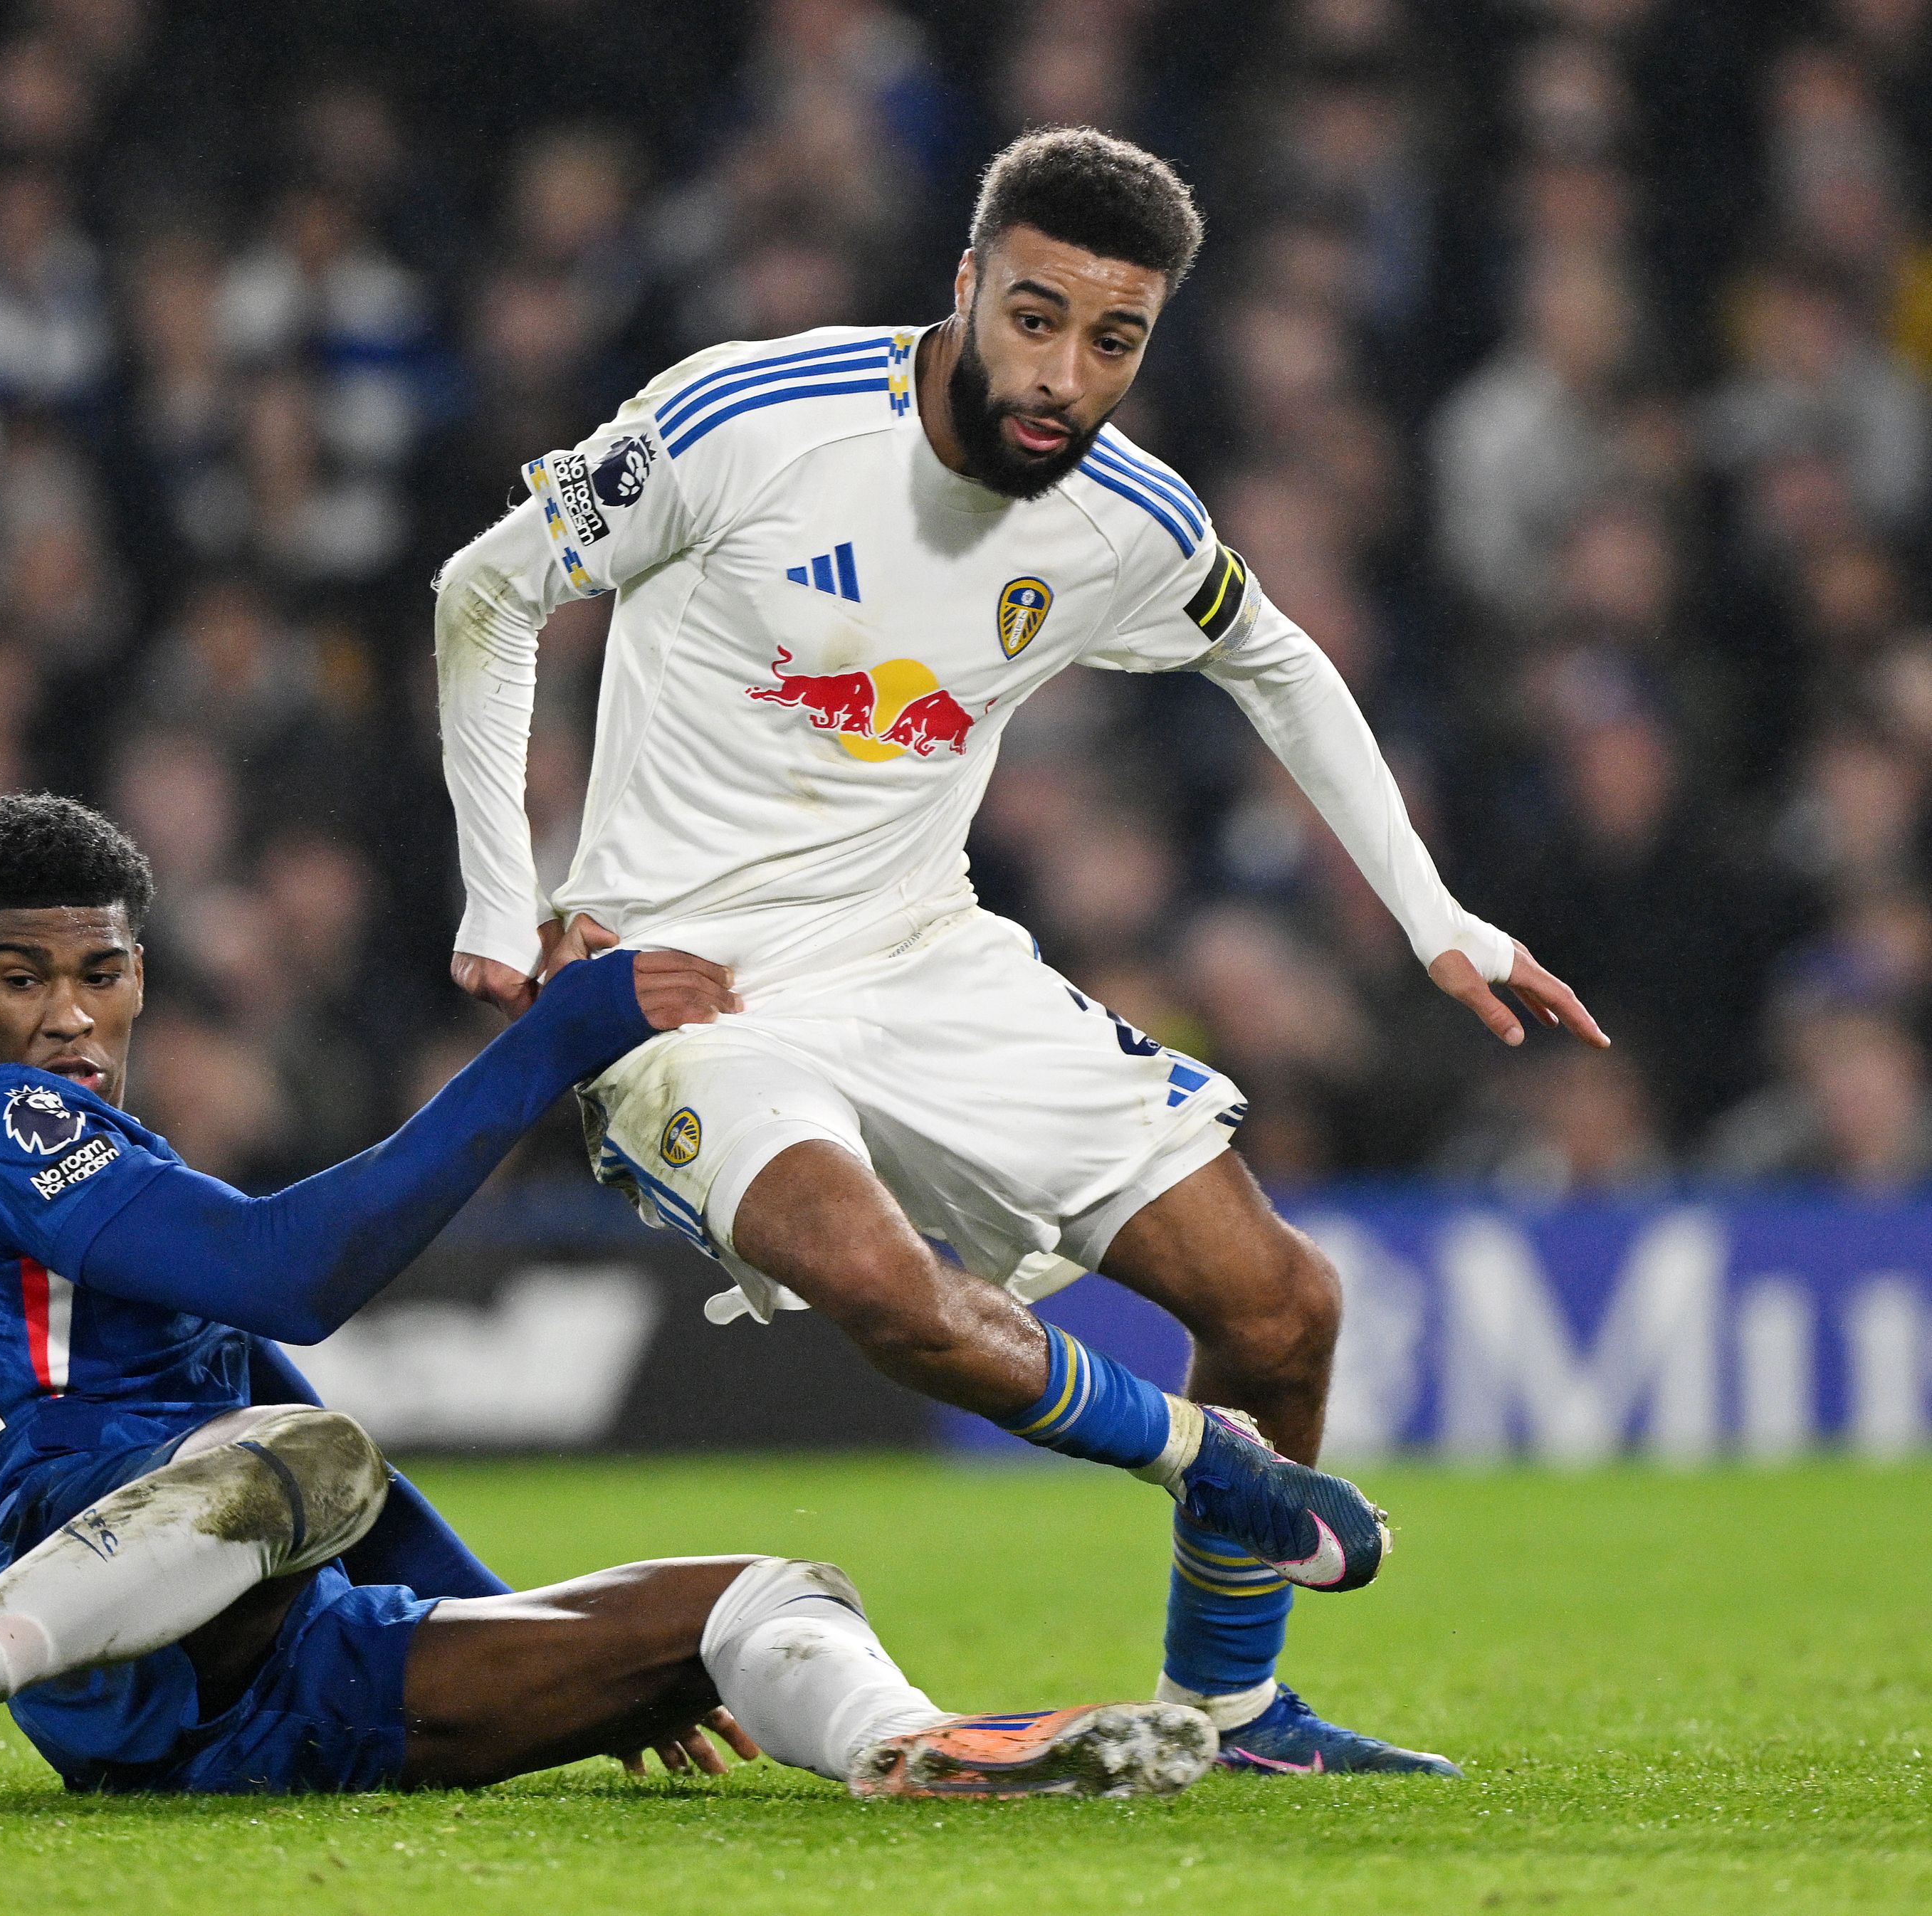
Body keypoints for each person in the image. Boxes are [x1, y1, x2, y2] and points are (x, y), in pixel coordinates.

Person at [434, 127, 1611, 1775]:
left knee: (1282, 1306)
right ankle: (1209, 1463)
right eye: (1036, 316)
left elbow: (1274, 662)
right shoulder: (747, 420)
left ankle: (1236, 1705)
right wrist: (505, 898)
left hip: (922, 952)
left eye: (1112, 340)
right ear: (968, 282)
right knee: (872, 1281)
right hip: (685, 984)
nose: (1063, 374)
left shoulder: (1124, 517)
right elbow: (485, 593)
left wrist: (1433, 917)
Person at [0, 792, 1243, 1805]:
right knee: (308, 1458)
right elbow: (296, 1277)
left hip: (263, 1664)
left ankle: (906, 1742)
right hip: (106, 1632)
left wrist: (525, 1627)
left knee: (763, 1598)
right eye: (18, 975)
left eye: (100, 971)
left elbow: (273, 1378)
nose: (65, 1012)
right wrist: (558, 1040)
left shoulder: (109, 1156)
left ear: (139, 973)